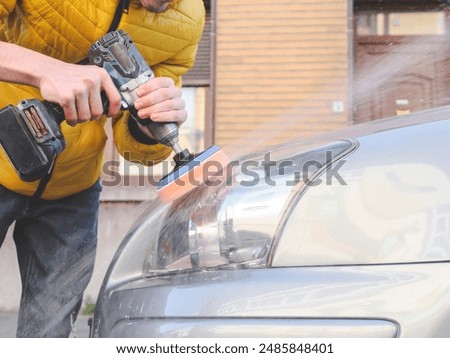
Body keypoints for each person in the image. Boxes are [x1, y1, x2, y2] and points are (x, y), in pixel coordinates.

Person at [0, 0, 205, 337]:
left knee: (49, 335)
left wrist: (150, 122)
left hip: (73, 190)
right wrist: (45, 70)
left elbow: (135, 145)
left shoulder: (189, 19)